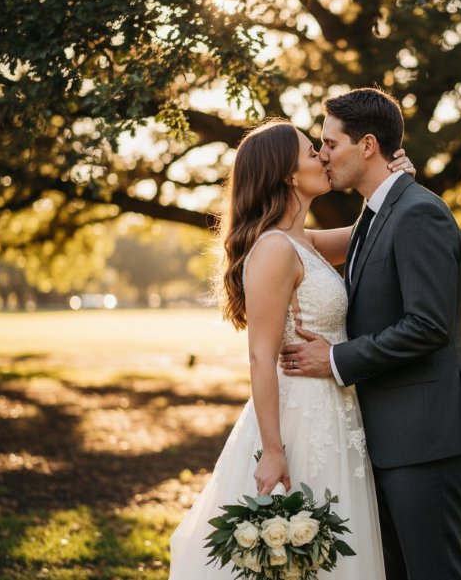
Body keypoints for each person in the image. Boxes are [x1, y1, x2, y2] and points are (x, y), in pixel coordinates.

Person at [168, 118, 416, 579]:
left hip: (336, 411)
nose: (323, 156)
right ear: (287, 174)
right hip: (298, 416)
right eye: (311, 152)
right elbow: (260, 356)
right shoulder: (274, 249)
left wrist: (393, 181)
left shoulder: (305, 242)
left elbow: (370, 231)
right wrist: (273, 450)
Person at [279, 88, 461, 580]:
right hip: (387, 434)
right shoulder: (375, 215)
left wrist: (336, 359)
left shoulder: (419, 213)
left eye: (331, 144)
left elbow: (428, 325)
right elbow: (291, 243)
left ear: (368, 145)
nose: (323, 155)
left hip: (425, 435)